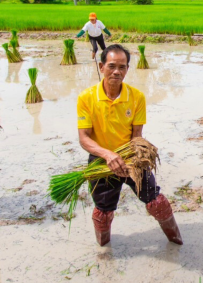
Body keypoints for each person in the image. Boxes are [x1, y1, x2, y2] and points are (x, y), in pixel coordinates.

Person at [77, 44, 183, 246]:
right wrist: (108, 156)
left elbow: (137, 136)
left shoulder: (137, 97)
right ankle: (104, 249)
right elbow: (84, 138)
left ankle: (176, 240)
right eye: (111, 66)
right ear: (101, 67)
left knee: (156, 202)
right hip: (101, 160)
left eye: (122, 67)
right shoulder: (86, 98)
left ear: (127, 69)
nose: (117, 71)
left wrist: (130, 163)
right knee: (103, 212)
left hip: (131, 157)